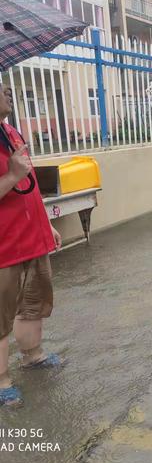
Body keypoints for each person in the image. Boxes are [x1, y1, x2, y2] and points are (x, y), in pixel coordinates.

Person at [0, 83, 62, 407]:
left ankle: (32, 355)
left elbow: (30, 184)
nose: (7, 90)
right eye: (0, 88)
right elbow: (15, 179)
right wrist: (10, 176)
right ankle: (2, 381)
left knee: (34, 300)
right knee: (1, 314)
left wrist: (46, 224)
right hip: (5, 246)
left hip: (32, 238)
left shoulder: (12, 133)